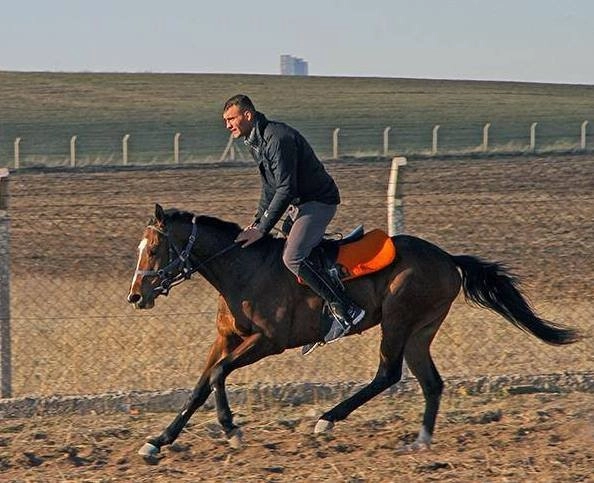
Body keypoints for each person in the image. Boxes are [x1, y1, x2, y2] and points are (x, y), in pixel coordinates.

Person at [222, 94, 365, 354]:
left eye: (231, 119)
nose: (228, 125)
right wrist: (256, 223)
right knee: (287, 253)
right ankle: (314, 319)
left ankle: (346, 309)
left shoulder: (277, 137)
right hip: (300, 203)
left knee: (293, 257)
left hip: (318, 201)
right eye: (226, 121)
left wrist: (263, 228)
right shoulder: (256, 141)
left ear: (248, 115)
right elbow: (269, 188)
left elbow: (286, 188)